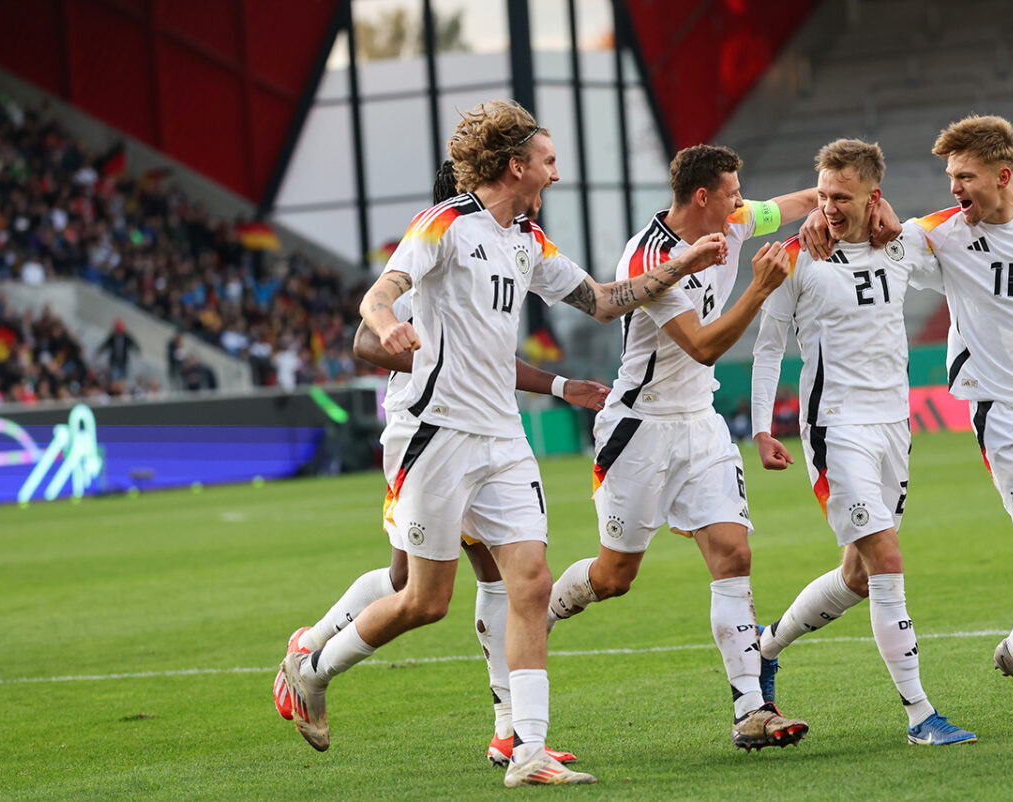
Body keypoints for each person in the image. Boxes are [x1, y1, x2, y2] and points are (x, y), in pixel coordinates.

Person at [277, 99, 728, 788]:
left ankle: (527, 748)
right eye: (548, 160)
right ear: (516, 166)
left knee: (530, 582)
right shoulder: (445, 224)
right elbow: (379, 296)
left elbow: (603, 300)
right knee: (423, 600)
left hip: (503, 438)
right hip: (436, 435)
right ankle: (313, 667)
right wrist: (388, 324)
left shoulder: (527, 240)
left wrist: (681, 262)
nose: (555, 173)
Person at [545, 144, 900, 752]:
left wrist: (865, 209)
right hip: (640, 428)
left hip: (701, 424)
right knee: (615, 576)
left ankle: (751, 710)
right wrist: (759, 289)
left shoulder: (732, 222)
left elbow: (804, 200)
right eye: (734, 193)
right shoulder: (650, 259)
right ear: (703, 197)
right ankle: (542, 611)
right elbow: (704, 346)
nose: (744, 203)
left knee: (734, 555)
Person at [801, 114, 1013, 725]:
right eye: (950, 177)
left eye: (965, 177)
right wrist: (822, 218)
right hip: (1002, 416)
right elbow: (864, 231)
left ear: (1002, 176)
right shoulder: (938, 233)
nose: (954, 188)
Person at [271, 161, 607, 769]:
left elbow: (493, 356)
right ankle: (312, 651)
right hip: (428, 432)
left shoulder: (510, 246)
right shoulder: (438, 245)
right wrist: (435, 361)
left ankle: (512, 733)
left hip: (487, 434)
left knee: (501, 578)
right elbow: (365, 339)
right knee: (413, 586)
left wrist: (557, 385)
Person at [751, 138, 976, 746]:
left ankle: (766, 646)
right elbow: (769, 348)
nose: (828, 207)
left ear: (874, 197)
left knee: (857, 575)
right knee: (887, 560)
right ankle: (920, 715)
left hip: (894, 426)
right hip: (835, 428)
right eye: (823, 195)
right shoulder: (796, 256)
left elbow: (962, 233)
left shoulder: (899, 244)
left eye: (842, 197)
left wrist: (894, 219)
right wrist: (763, 428)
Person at [96, 317, 139, 382]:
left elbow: (133, 343)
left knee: (124, 378)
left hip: (124, 361)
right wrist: (100, 351)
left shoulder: (126, 337)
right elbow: (106, 344)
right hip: (114, 362)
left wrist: (137, 349)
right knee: (115, 378)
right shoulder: (113, 337)